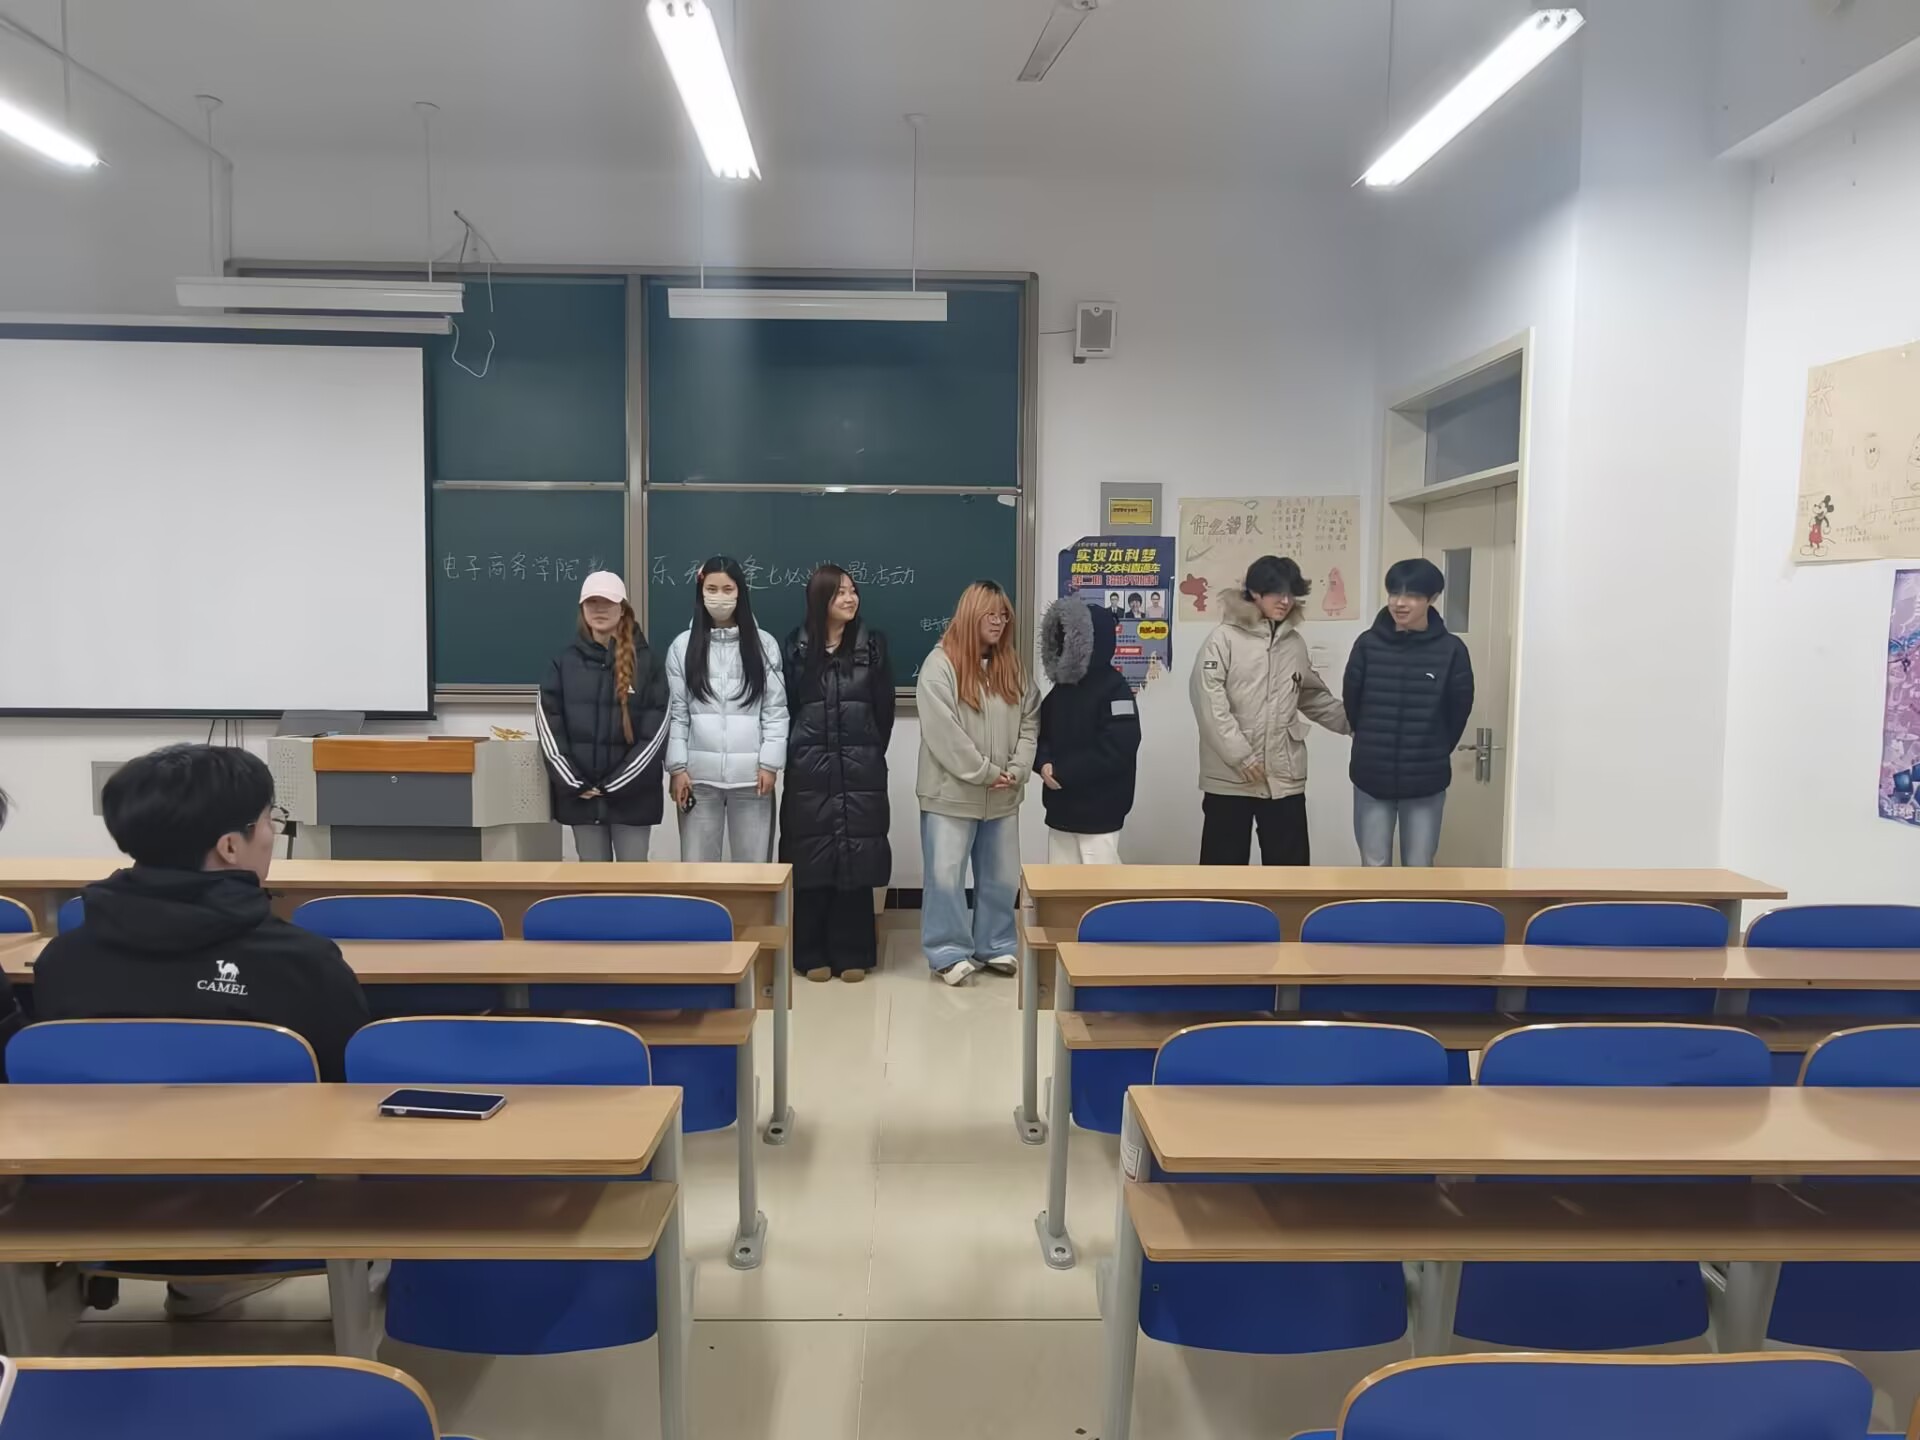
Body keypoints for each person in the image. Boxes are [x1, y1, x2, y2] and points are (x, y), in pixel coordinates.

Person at [916, 580, 1038, 985]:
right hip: (951, 796)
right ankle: (947, 952)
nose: (999, 622)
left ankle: (996, 945)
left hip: (1003, 794)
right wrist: (986, 771)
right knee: (946, 877)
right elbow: (945, 735)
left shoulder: (1012, 666)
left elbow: (1030, 721)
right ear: (971, 615)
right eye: (991, 615)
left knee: (1001, 877)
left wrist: (1018, 769)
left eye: (1004, 615)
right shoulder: (940, 665)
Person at [1190, 554, 1349, 865]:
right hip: (1232, 777)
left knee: (1290, 873)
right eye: (1277, 593)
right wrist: (1240, 756)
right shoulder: (1222, 639)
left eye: (1291, 593)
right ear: (1254, 592)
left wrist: (1356, 723)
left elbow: (1310, 696)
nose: (1285, 601)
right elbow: (1209, 701)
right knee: (1223, 872)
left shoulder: (1294, 643)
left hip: (1283, 777)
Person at [780, 566, 894, 983]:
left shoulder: (872, 645)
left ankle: (853, 953)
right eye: (840, 593)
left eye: (853, 591)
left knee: (855, 856)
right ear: (820, 600)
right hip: (808, 771)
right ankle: (811, 952)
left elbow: (883, 711)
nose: (850, 599)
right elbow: (787, 708)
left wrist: (864, 752)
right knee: (811, 856)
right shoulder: (795, 647)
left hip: (859, 768)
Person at [1344, 558, 1475, 867]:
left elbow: (1458, 711)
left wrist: (1433, 748)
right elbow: (1353, 703)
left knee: (1419, 866)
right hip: (1371, 774)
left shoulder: (1451, 650)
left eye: (1412, 595)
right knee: (1373, 864)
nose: (1399, 603)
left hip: (1425, 778)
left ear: (1432, 599)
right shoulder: (1368, 645)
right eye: (1394, 593)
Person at [537, 571, 670, 862]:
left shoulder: (649, 664)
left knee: (632, 882)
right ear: (582, 609)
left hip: (633, 800)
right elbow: (550, 730)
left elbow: (655, 736)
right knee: (592, 882)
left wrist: (613, 785)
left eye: (607, 602)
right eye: (592, 602)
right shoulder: (562, 663)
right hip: (582, 799)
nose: (599, 609)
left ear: (622, 609)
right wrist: (575, 783)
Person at [666, 556, 788, 862]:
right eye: (712, 589)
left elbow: (775, 710)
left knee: (753, 871)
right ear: (701, 592)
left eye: (727, 589)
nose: (719, 597)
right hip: (698, 780)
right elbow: (678, 714)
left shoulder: (764, 645)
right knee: (698, 871)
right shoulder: (682, 646)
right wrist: (677, 768)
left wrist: (770, 764)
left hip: (752, 780)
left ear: (740, 592)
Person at [1036, 597, 1140, 863]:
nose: (1065, 643)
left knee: (1098, 885)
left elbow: (1117, 750)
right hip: (1061, 811)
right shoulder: (1061, 689)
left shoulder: (1115, 689)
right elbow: (1041, 734)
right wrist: (1043, 763)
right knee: (1059, 885)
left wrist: (1064, 771)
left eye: (1073, 637)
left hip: (1100, 815)